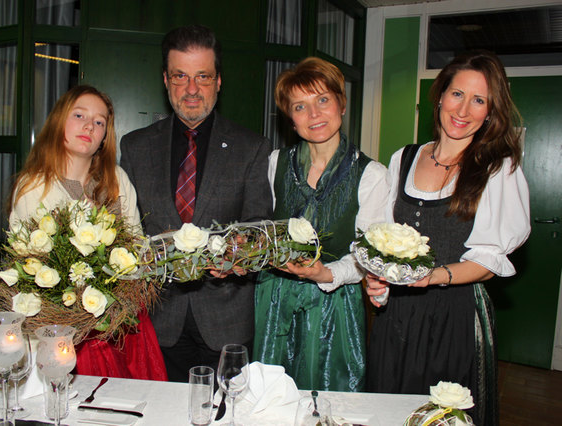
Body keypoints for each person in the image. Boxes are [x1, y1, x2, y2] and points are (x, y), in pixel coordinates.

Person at [365, 51, 530, 426]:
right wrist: (373, 278)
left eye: (479, 100)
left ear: (490, 112)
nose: (464, 110)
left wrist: (432, 275)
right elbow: (381, 237)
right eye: (457, 94)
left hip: (455, 317)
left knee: (443, 415)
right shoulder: (403, 158)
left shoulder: (497, 169)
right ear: (439, 96)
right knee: (388, 407)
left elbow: (490, 261)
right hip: (398, 316)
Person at [119, 25, 273, 382]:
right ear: (165, 80)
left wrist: (237, 257)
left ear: (219, 81)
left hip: (226, 321)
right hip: (157, 319)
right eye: (180, 76)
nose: (191, 89)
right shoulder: (135, 147)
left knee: (226, 414)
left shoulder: (251, 148)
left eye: (202, 76)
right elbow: (124, 231)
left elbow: (258, 225)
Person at [9, 85, 167, 381]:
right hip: (61, 330)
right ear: (59, 121)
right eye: (79, 115)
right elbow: (24, 266)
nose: (88, 126)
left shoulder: (117, 179)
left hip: (121, 325)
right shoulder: (35, 186)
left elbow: (136, 246)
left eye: (99, 122)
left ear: (105, 135)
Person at [253, 57, 389, 392]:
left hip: (334, 306)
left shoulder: (372, 175)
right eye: (300, 106)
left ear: (342, 104)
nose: (314, 114)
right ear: (291, 119)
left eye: (323, 100)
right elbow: (261, 231)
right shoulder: (275, 163)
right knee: (270, 400)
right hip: (274, 302)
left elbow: (367, 256)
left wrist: (325, 274)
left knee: (328, 401)